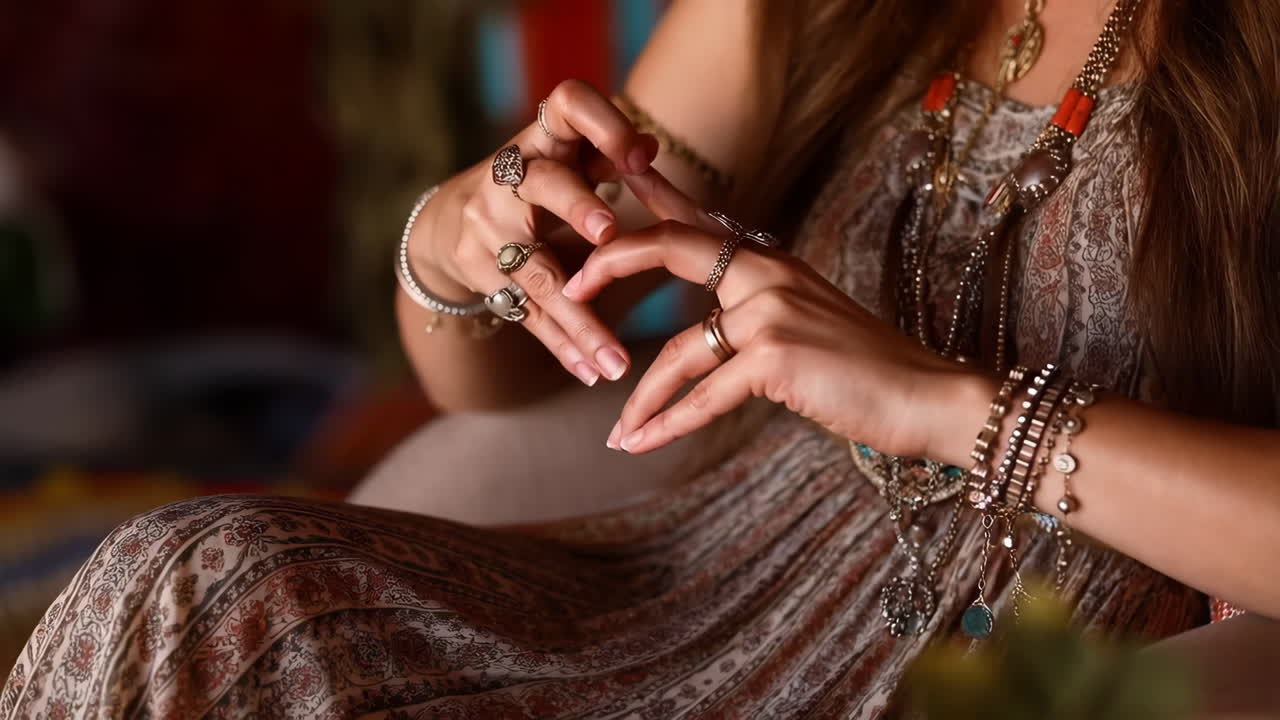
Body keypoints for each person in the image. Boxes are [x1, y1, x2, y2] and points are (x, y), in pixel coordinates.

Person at [5, 0, 1280, 717]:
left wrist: (949, 409)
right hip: (692, 587)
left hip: (1059, 645)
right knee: (196, 584)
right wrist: (464, 243)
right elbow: (497, 378)